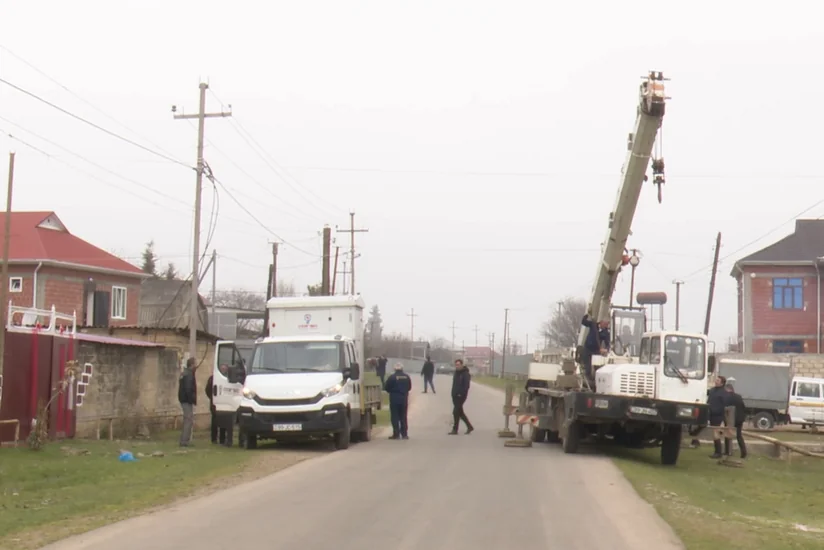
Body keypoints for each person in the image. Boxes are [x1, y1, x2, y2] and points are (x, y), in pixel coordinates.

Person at [384, 362, 412, 440]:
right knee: (403, 416)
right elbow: (409, 387)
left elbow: (386, 387)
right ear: (402, 368)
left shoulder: (392, 377)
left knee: (395, 416)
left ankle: (396, 434)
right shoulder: (407, 377)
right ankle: (404, 434)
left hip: (394, 399)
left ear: (395, 369)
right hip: (404, 399)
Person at [581, 314, 610, 381]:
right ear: (601, 322)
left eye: (607, 325)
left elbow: (607, 343)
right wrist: (587, 315)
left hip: (596, 350)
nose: (606, 326)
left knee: (597, 367)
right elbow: (584, 322)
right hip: (588, 348)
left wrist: (606, 349)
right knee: (587, 367)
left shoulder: (606, 332)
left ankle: (596, 380)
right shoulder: (593, 325)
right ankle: (587, 380)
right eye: (605, 324)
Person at [723, 381, 748, 459]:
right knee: (739, 436)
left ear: (727, 389)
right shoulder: (738, 396)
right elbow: (743, 407)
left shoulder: (726, 397)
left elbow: (725, 408)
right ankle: (743, 452)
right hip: (739, 419)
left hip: (730, 418)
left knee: (728, 434)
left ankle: (728, 451)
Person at [449, 359, 474, 435]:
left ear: (462, 365)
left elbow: (466, 386)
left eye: (458, 364)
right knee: (460, 412)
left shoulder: (465, 374)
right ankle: (469, 426)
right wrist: (453, 393)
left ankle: (455, 429)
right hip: (455, 395)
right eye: (456, 365)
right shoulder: (456, 373)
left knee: (455, 412)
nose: (457, 366)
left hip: (461, 396)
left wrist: (461, 393)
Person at [178, 357, 198, 447]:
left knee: (187, 419)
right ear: (192, 364)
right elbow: (188, 388)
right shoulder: (189, 375)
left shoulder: (185, 373)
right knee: (188, 420)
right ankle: (184, 441)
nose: (196, 365)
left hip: (183, 399)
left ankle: (185, 440)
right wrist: (192, 399)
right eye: (195, 363)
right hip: (186, 400)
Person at [707, 375, 727, 458]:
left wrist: (720, 414)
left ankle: (718, 452)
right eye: (716, 380)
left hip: (718, 416)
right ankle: (717, 451)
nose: (716, 381)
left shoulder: (723, 393)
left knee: (716, 434)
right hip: (710, 414)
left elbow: (724, 405)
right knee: (713, 433)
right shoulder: (712, 390)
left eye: (718, 380)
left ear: (722, 383)